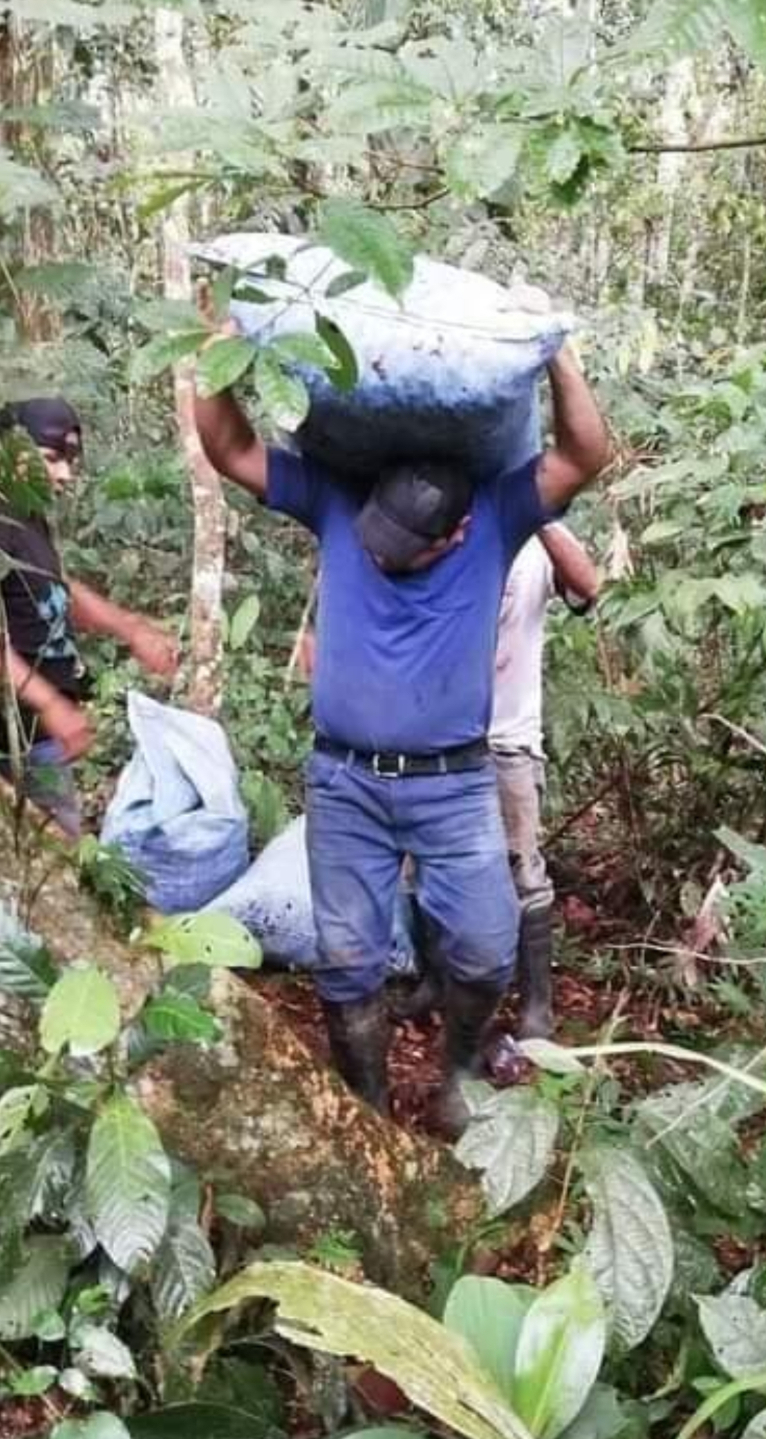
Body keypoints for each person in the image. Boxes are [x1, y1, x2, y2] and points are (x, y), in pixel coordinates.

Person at [194, 325, 610, 1134]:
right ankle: (369, 1113)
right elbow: (228, 446)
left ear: (451, 533)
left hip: (451, 786)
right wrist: (219, 350)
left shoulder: (493, 517)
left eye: (403, 549)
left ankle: (456, 1073)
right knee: (345, 962)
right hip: (344, 782)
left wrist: (556, 349)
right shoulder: (338, 500)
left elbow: (586, 452)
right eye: (374, 542)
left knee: (487, 949)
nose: (379, 556)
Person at [387, 524, 601, 1038]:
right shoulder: (436, 527)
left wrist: (544, 516)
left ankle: (536, 1007)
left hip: (506, 742)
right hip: (430, 739)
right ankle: (436, 982)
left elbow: (587, 587)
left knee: (521, 871)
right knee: (418, 871)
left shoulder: (533, 543)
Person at [0, 398, 178, 836]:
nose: (65, 475)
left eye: (69, 461)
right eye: (50, 459)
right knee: (51, 857)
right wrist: (47, 703)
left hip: (37, 735)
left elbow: (62, 590)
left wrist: (132, 628)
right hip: (9, 734)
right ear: (6, 452)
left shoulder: (24, 516)